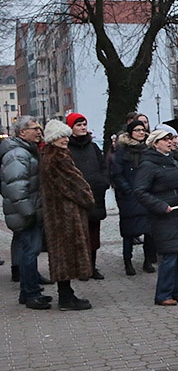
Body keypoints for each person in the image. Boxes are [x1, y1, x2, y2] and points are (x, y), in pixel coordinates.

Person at [39, 120, 94, 310]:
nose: (65, 139)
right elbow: (73, 183)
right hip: (64, 213)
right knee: (66, 254)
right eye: (61, 136)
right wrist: (88, 198)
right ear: (53, 139)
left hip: (57, 212)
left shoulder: (49, 155)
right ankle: (65, 297)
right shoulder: (58, 157)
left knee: (61, 254)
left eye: (66, 136)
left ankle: (66, 293)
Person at [133, 128, 178, 306]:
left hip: (177, 210)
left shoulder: (170, 160)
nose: (170, 142)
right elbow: (140, 191)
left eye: (170, 139)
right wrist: (160, 206)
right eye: (165, 140)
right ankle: (163, 294)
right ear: (155, 143)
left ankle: (177, 291)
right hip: (163, 214)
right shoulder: (149, 164)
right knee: (169, 254)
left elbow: (169, 184)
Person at [0, 116, 52, 308]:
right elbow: (16, 186)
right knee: (30, 253)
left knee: (28, 252)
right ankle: (32, 294)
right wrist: (29, 212)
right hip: (25, 213)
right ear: (22, 132)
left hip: (26, 210)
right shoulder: (17, 154)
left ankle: (27, 292)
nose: (39, 131)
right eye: (34, 128)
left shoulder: (24, 151)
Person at [109, 119, 156, 275]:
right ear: (130, 133)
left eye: (142, 130)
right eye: (137, 130)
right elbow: (117, 174)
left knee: (149, 231)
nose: (141, 132)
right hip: (129, 196)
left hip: (146, 194)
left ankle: (148, 260)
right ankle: (127, 261)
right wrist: (128, 190)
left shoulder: (148, 150)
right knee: (129, 232)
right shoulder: (122, 151)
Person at [66, 113, 109, 280]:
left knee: (93, 235)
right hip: (77, 199)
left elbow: (103, 166)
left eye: (84, 124)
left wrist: (103, 182)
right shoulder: (67, 148)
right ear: (71, 128)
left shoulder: (93, 147)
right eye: (78, 125)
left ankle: (92, 266)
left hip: (95, 197)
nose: (83, 127)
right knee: (79, 236)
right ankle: (80, 268)